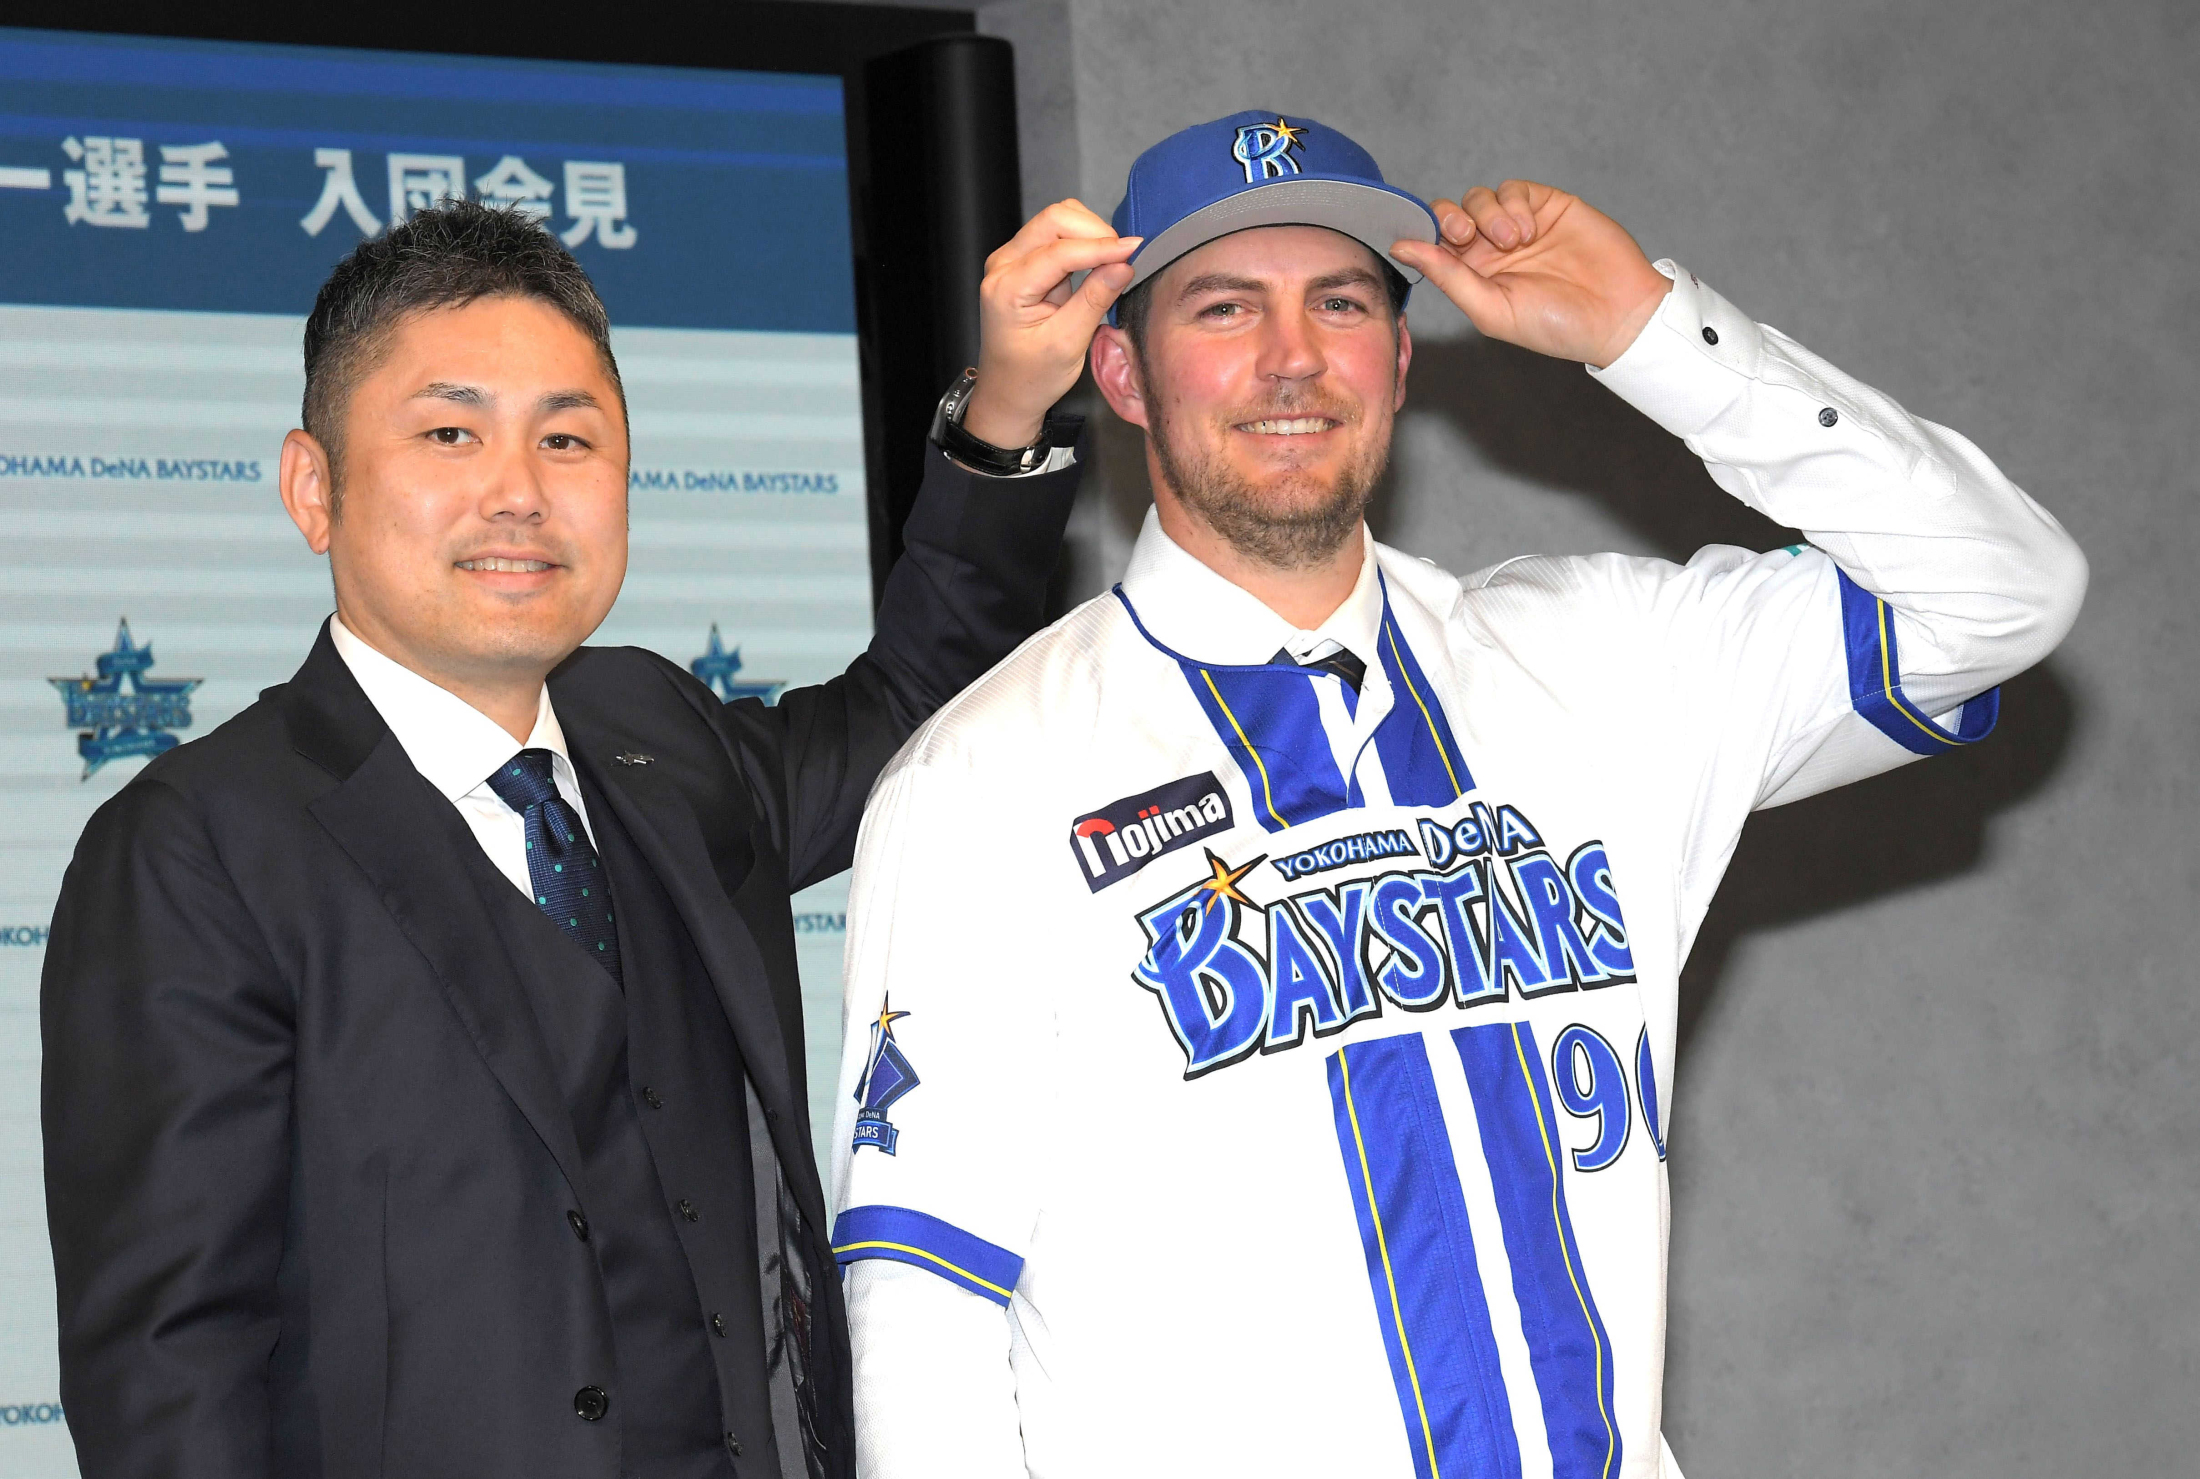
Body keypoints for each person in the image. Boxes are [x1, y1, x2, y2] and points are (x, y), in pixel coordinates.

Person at [829, 111, 2086, 1479]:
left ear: (1400, 358)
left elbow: (2005, 593)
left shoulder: (1602, 663)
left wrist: (1652, 333)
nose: (1293, 356)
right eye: (1225, 307)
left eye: (1342, 302)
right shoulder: (983, 779)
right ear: (1122, 374)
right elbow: (923, 1327)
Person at [40, 197, 1136, 1479]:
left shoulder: (658, 736)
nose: (518, 493)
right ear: (313, 488)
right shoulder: (194, 850)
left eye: (567, 439)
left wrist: (1006, 408)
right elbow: (170, 1379)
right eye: (450, 433)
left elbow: (911, 712)